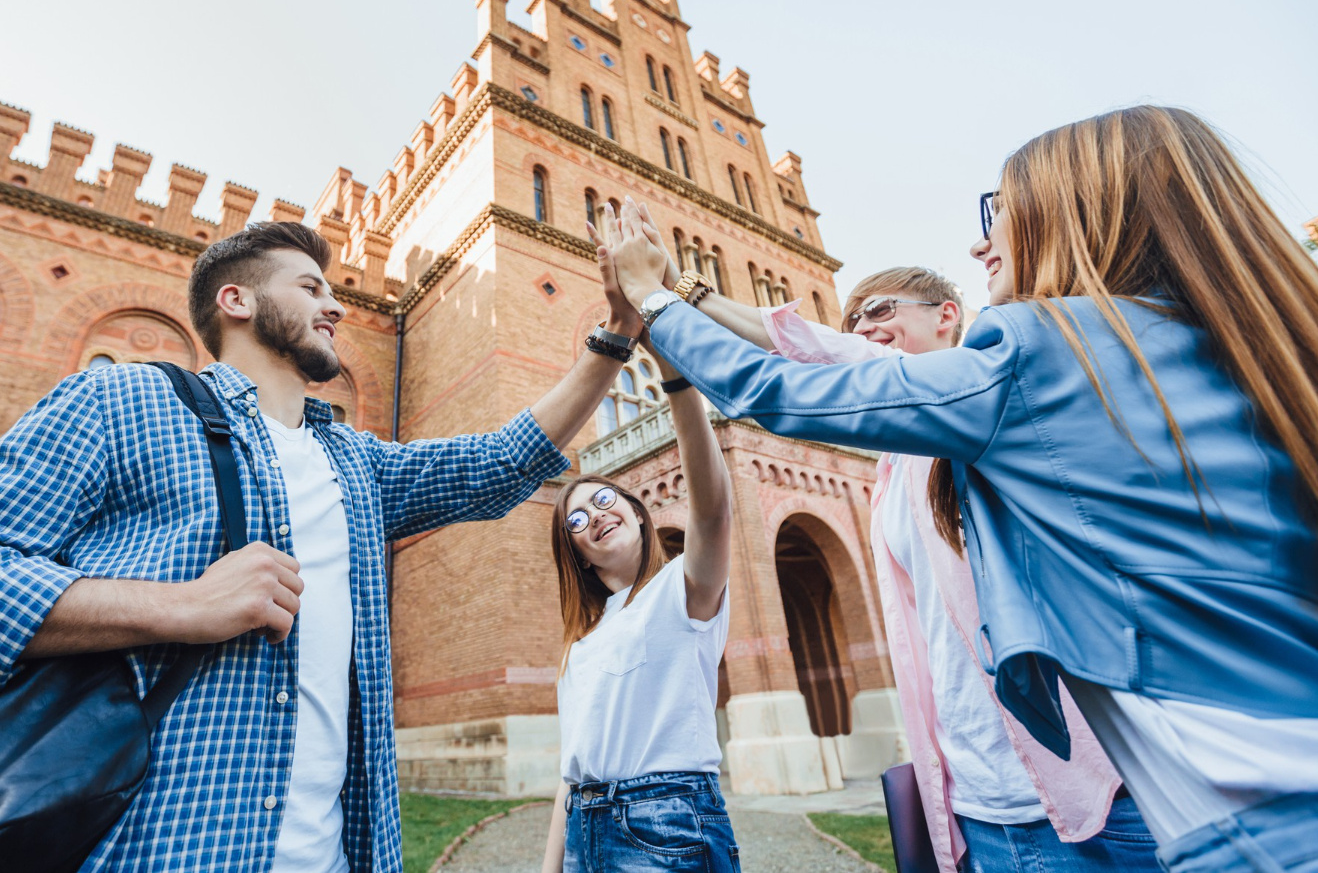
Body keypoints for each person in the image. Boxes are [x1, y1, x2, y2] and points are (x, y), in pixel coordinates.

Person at [608, 106, 1318, 873]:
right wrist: (691, 288)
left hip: (1213, 830)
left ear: (1077, 214)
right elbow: (828, 349)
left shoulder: (1038, 347)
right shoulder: (1231, 346)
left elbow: (776, 388)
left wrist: (655, 302)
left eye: (1000, 211)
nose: (982, 242)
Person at [0, 221, 639, 873]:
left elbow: (501, 462)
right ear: (236, 299)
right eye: (311, 288)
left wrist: (617, 333)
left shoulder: (355, 464)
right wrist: (179, 607)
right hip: (154, 852)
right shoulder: (124, 400)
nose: (334, 306)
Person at [634, 238, 1158, 872]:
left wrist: (672, 295)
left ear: (946, 316)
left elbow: (826, 358)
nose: (862, 328)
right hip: (980, 803)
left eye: (880, 310)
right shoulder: (893, 465)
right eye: (853, 317)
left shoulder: (992, 394)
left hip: (1088, 795)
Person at [537, 200, 736, 873]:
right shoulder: (580, 642)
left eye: (604, 499)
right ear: (579, 555)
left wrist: (673, 371)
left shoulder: (684, 590)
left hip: (667, 818)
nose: (594, 514)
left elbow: (710, 512)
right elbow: (571, 768)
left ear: (639, 510)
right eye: (577, 520)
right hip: (587, 822)